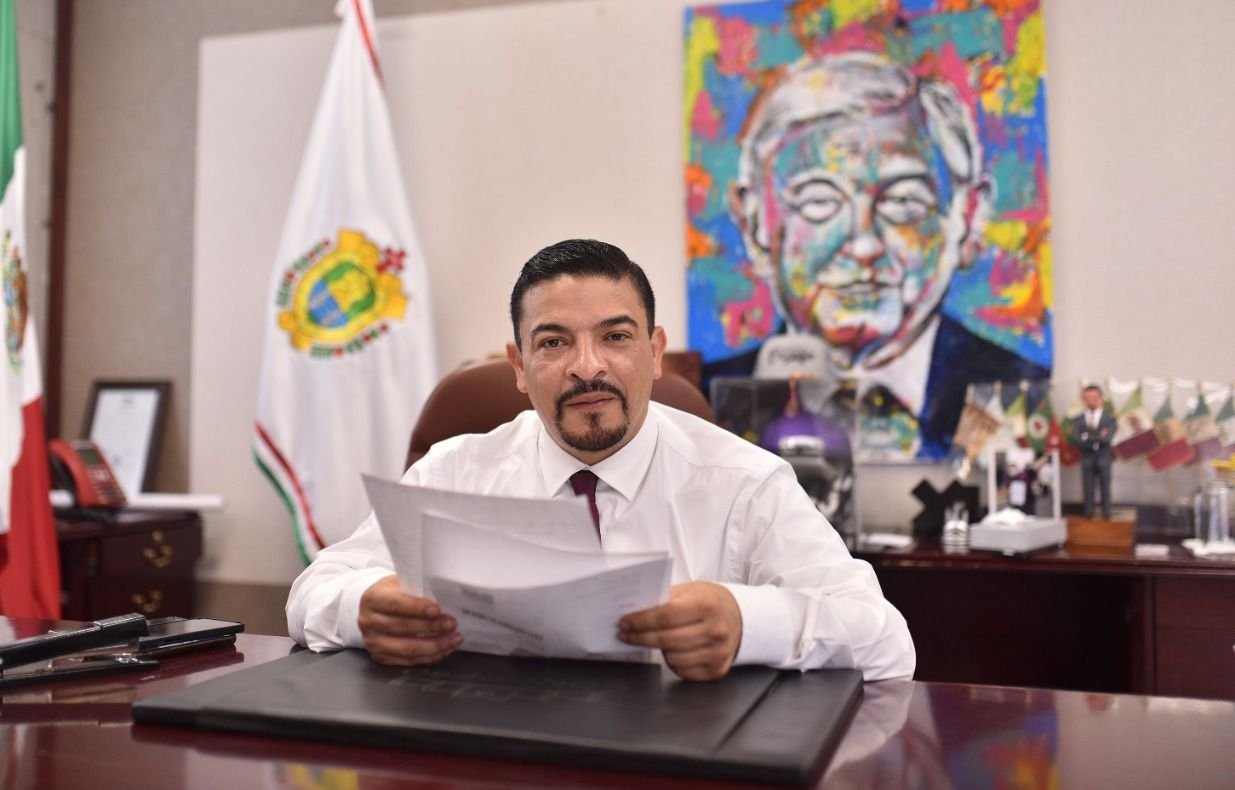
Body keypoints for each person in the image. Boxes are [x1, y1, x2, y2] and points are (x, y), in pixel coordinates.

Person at [287, 239, 915, 682]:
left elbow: (885, 640)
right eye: (553, 342)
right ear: (519, 367)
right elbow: (312, 590)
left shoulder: (744, 482)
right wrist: (363, 606)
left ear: (654, 353)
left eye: (615, 337)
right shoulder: (453, 471)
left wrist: (747, 621)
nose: (587, 367)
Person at [731, 50, 1047, 459]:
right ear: (753, 222)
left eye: (902, 202)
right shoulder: (703, 409)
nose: (864, 245)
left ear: (968, 219)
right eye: (819, 201)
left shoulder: (1021, 394)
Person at [1071, 384, 1114, 519]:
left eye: (1094, 398)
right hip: (1087, 458)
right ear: (1084, 400)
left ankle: (1107, 513)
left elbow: (1107, 439)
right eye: (1088, 398)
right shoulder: (1078, 420)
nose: (1091, 401)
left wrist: (1087, 437)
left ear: (1101, 399)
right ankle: (1088, 513)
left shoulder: (1109, 419)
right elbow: (1076, 439)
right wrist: (1097, 436)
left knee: (1105, 487)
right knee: (1088, 488)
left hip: (1104, 458)